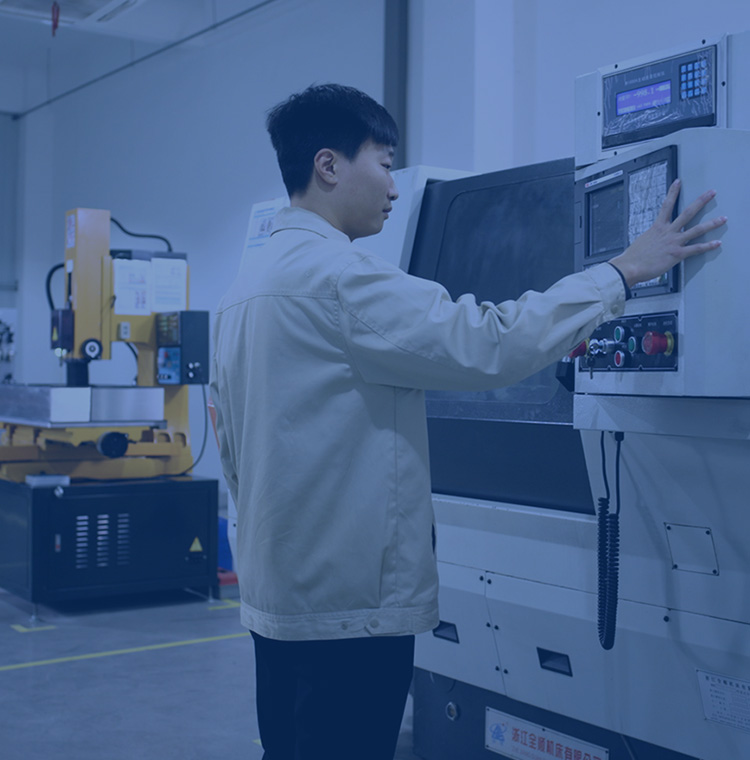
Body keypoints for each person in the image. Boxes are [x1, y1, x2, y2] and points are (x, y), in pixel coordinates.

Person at [209, 83, 724, 760]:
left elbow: (231, 441)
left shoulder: (244, 287)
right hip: (349, 609)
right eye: (384, 164)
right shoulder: (341, 277)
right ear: (328, 166)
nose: (393, 187)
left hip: (279, 598)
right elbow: (490, 343)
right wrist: (622, 272)